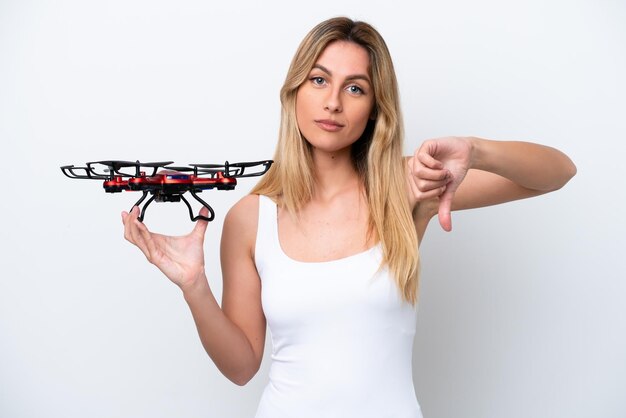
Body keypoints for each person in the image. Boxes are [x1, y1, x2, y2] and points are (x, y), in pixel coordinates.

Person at [121, 17, 576, 418]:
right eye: (319, 81)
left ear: (375, 108)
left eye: (355, 87)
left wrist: (476, 149)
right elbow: (241, 367)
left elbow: (557, 173)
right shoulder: (250, 217)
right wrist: (195, 286)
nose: (333, 101)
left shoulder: (407, 186)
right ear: (294, 91)